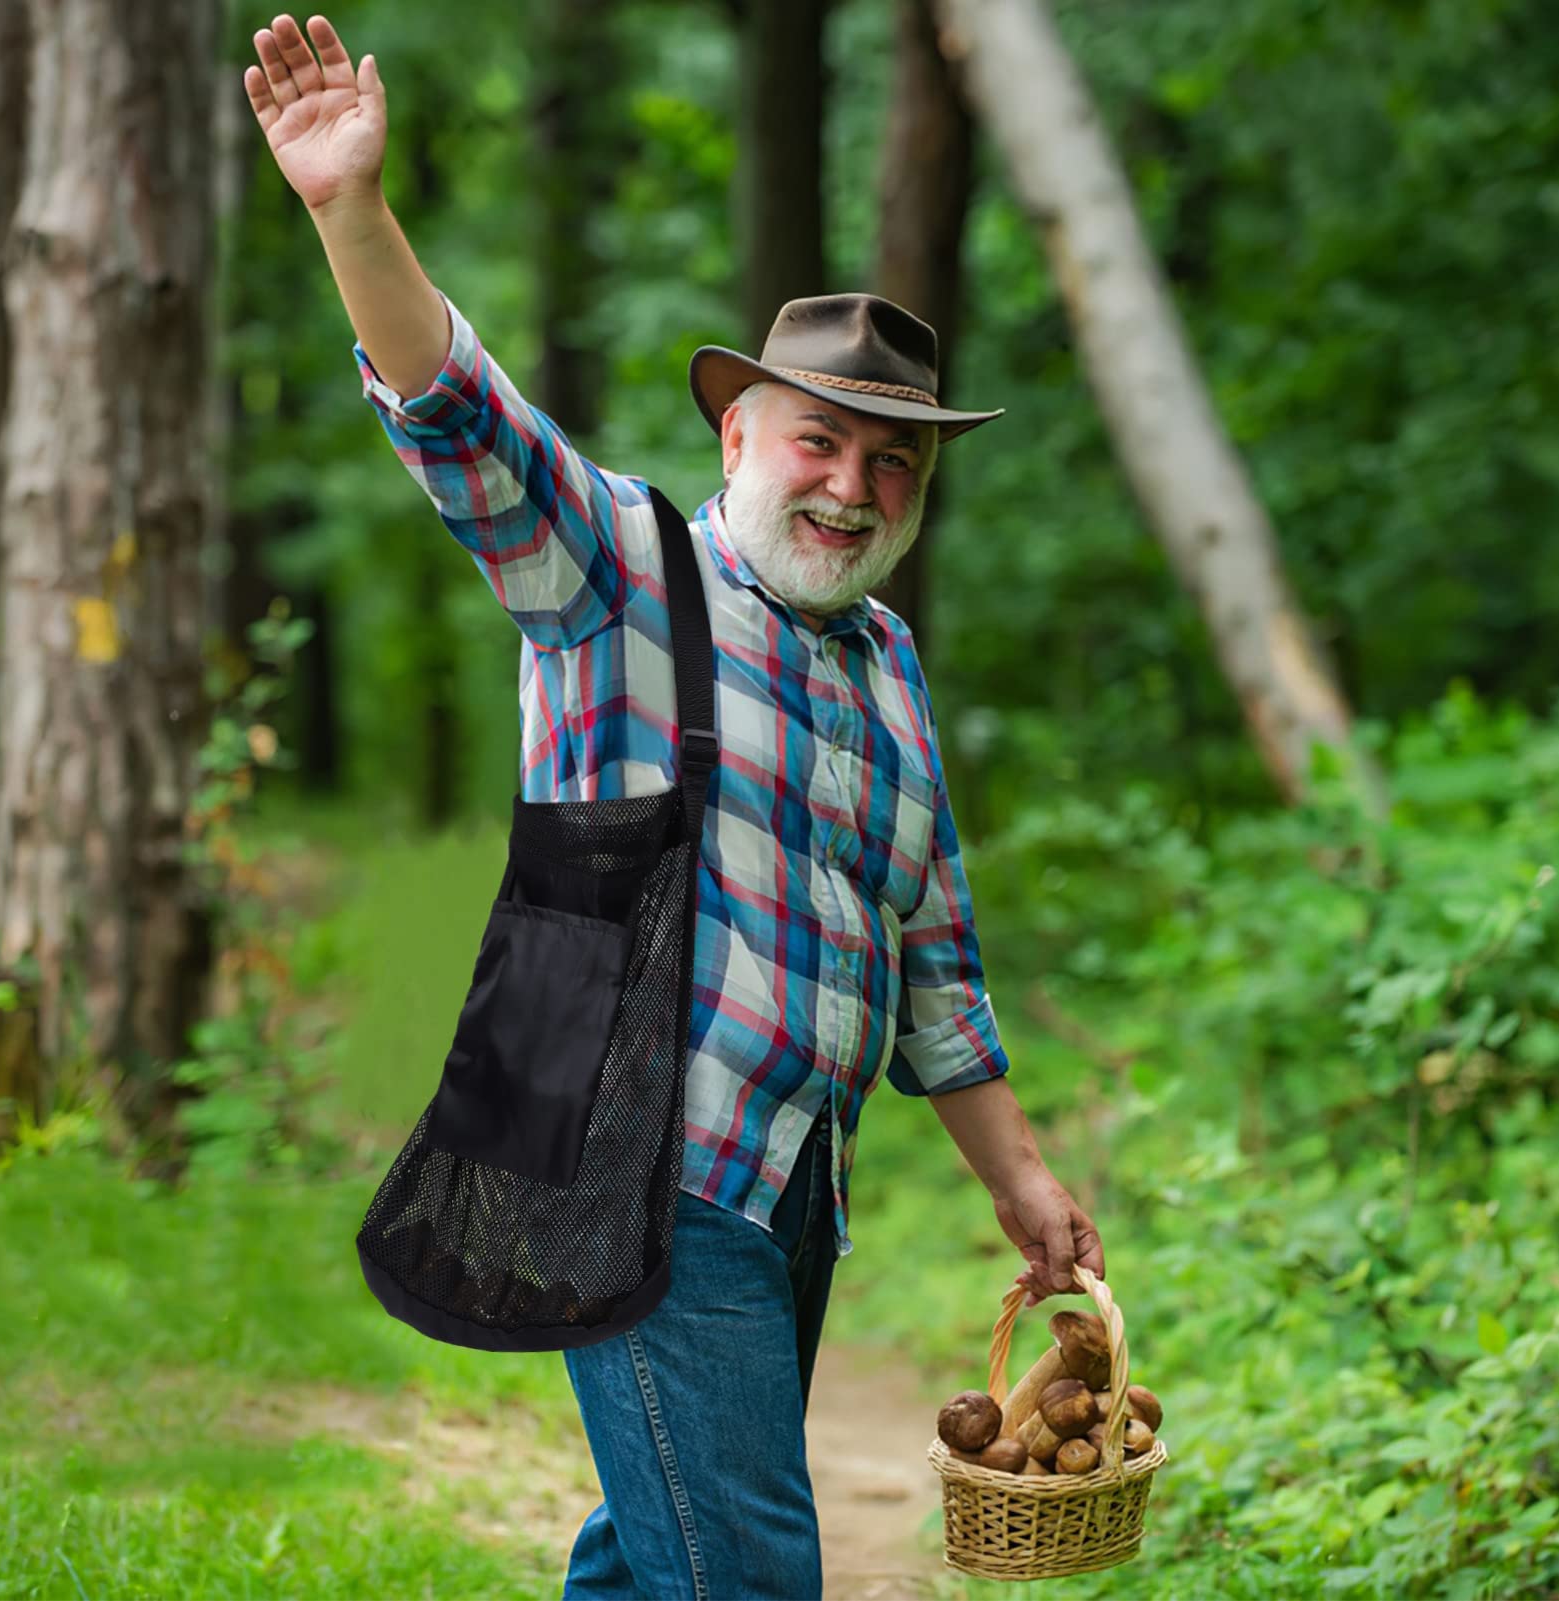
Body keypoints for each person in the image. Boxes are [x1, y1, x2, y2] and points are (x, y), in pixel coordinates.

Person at [244, 14, 1106, 1599]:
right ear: (738, 435)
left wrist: (1020, 1176)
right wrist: (350, 210)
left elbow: (933, 954)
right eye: (819, 441)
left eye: (893, 465)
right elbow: (465, 425)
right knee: (744, 1570)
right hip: (646, 1160)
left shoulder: (888, 663)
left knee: (658, 1561)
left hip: (795, 1186)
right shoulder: (622, 575)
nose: (850, 486)